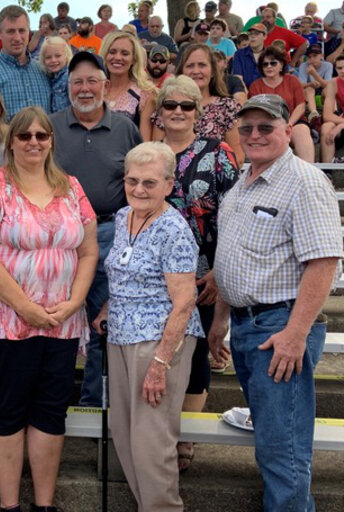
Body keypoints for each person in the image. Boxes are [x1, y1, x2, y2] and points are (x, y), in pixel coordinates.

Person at [209, 94, 342, 512]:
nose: (254, 135)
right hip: (250, 326)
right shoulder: (242, 183)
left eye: (266, 127)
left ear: (288, 130)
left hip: (280, 328)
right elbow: (233, 257)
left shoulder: (304, 181)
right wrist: (220, 321)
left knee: (282, 452)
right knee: (274, 443)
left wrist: (295, 334)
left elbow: (324, 261)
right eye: (246, 128)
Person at [0, 105, 98, 512]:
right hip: (6, 321)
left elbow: (89, 251)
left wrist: (74, 303)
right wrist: (26, 307)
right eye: (25, 136)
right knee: (8, 412)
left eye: (42, 135)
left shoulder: (71, 187)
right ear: (12, 141)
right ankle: (9, 506)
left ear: (51, 141)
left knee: (50, 413)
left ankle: (44, 505)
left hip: (61, 321)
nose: (34, 142)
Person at [91, 141, 202, 512]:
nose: (139, 189)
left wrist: (160, 364)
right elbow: (126, 273)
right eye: (132, 180)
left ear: (169, 184)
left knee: (151, 446)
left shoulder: (174, 229)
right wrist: (108, 306)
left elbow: (184, 301)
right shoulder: (124, 217)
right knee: (124, 439)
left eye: (149, 183)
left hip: (157, 343)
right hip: (120, 336)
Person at [50, 51, 143, 408]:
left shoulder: (125, 129)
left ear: (106, 86)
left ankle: (95, 406)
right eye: (77, 82)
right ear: (67, 87)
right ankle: (53, 406)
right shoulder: (50, 127)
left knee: (104, 325)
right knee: (54, 323)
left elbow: (138, 186)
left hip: (109, 234)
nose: (85, 89)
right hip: (60, 238)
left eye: (92, 81)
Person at [156, 74, 239, 471]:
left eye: (185, 106)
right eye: (169, 105)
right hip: (155, 276)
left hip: (203, 273)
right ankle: (160, 431)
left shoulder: (218, 153)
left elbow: (234, 216)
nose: (177, 112)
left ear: (197, 112)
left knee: (195, 356)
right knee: (162, 351)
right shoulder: (149, 153)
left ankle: (185, 437)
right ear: (159, 112)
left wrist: (219, 272)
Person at [154, 43, 244, 164]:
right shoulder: (168, 106)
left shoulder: (228, 107)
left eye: (202, 65)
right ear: (182, 71)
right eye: (190, 66)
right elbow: (157, 153)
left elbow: (237, 157)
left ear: (212, 71)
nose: (196, 71)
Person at [0, 5, 51, 120]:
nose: (17, 38)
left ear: (29, 32)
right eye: (11, 31)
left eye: (22, 31)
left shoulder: (46, 72)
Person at [249, 47, 315, 162]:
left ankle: (310, 173)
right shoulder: (255, 86)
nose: (269, 66)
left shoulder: (292, 80)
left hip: (293, 121)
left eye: (273, 63)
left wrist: (288, 124)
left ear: (281, 65)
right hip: (266, 123)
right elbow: (254, 111)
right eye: (265, 64)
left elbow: (300, 105)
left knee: (302, 131)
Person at [99, 30, 156, 140]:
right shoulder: (94, 89)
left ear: (134, 59)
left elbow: (144, 143)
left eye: (125, 53)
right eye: (112, 52)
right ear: (105, 54)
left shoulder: (144, 94)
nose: (118, 57)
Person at [297, 44, 331, 124]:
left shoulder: (328, 65)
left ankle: (332, 112)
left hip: (322, 93)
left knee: (328, 90)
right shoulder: (303, 65)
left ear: (321, 56)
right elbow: (300, 85)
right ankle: (314, 114)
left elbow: (328, 85)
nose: (312, 59)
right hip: (309, 93)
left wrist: (314, 74)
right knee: (309, 89)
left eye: (315, 56)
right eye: (309, 57)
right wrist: (310, 84)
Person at [320, 55, 344, 162]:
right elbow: (327, 115)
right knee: (326, 127)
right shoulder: (333, 83)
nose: (343, 71)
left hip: (342, 123)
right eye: (339, 68)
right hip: (342, 120)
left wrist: (341, 126)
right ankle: (327, 172)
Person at [40, 35, 72, 113]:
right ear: (43, 60)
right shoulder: (49, 78)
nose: (53, 60)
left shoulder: (69, 77)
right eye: (48, 57)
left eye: (58, 56)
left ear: (66, 56)